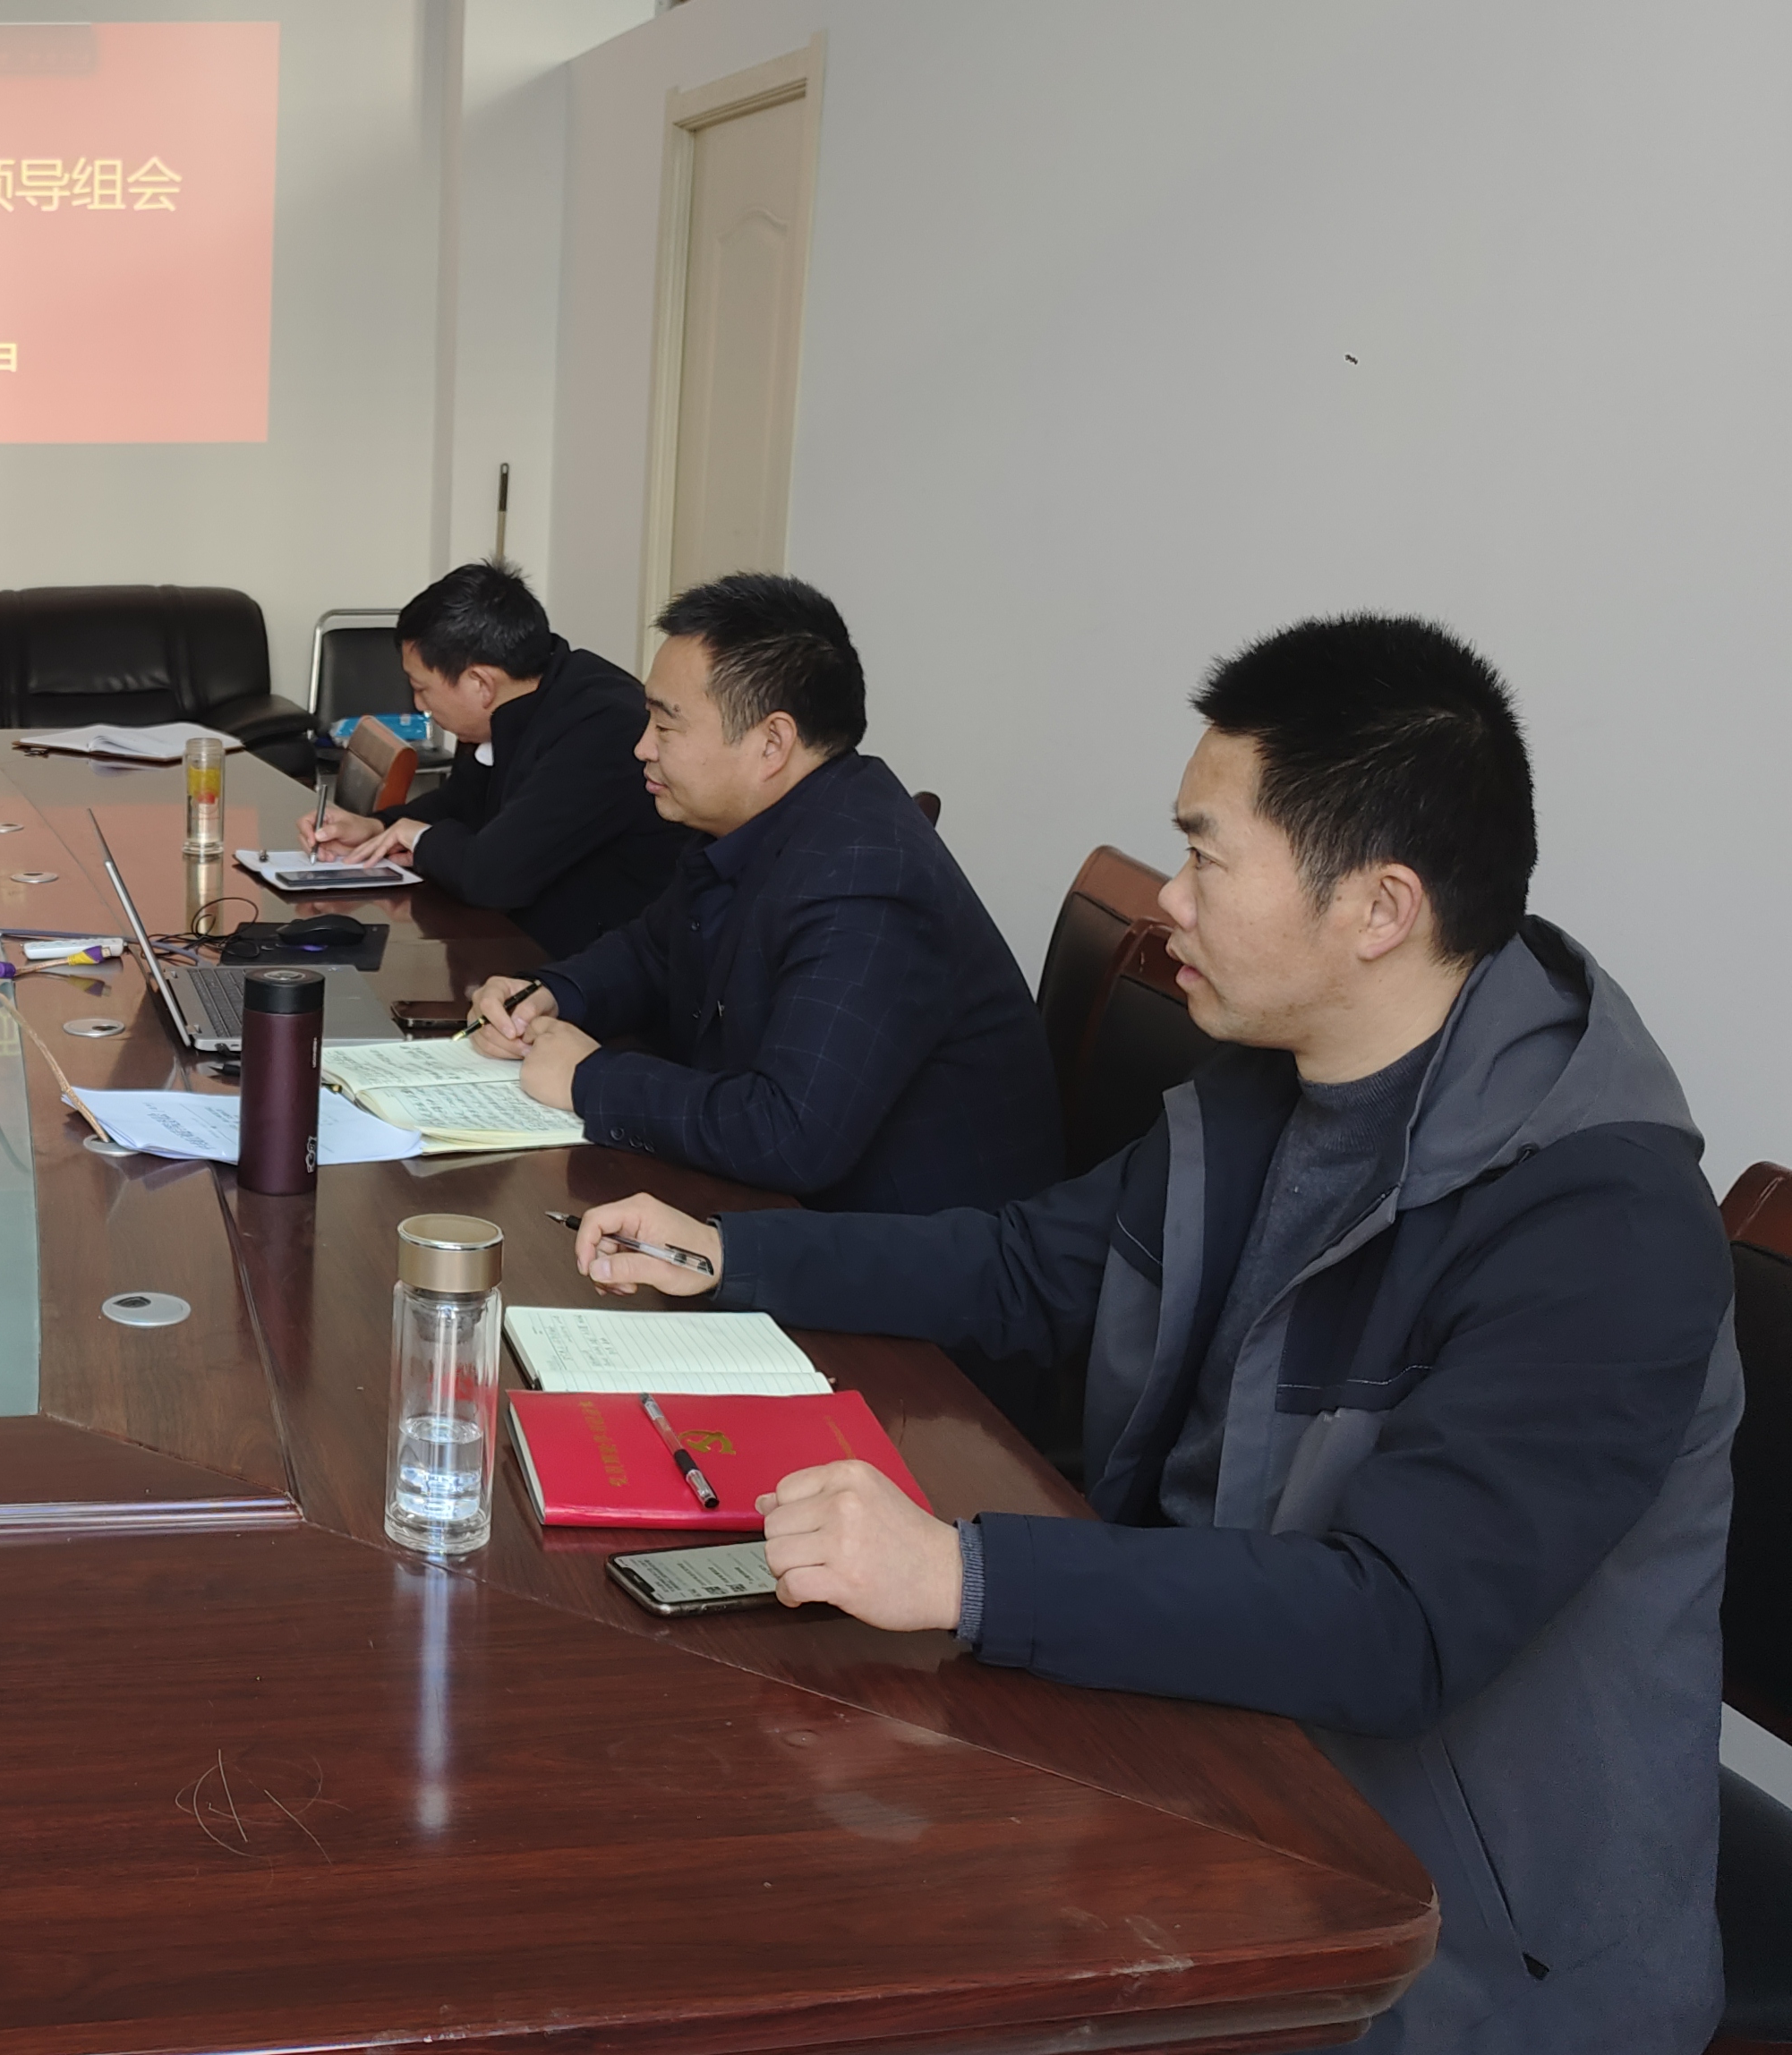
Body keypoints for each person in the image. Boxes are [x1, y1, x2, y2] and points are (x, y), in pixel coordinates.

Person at [567, 617, 1734, 2053]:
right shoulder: (1269, 1086)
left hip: (1441, 1935)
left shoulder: (1597, 1224)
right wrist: (733, 1253)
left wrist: (962, 1571)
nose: (1166, 901)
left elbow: (1397, 1624)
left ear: (1378, 908)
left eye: (1205, 858)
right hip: (1198, 1748)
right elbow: (1028, 1267)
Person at [467, 573, 1056, 1215]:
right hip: (789, 1211)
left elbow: (790, 1133)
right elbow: (654, 951)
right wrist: (549, 993)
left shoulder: (866, 878)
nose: (642, 747)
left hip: (907, 1245)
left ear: (771, 743)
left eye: (666, 725)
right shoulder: (760, 823)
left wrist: (590, 1079)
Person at [299, 561, 693, 957]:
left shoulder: (603, 727)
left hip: (599, 966)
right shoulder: (516, 703)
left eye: (421, 688)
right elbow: (461, 802)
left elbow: (491, 876)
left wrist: (417, 837)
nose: (420, 706)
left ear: (480, 683)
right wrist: (377, 827)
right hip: (519, 941)